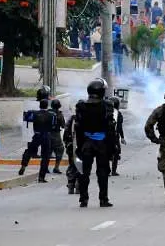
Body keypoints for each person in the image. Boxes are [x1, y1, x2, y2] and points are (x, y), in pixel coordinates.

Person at [73, 78, 116, 207]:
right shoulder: (107, 106)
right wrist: (112, 148)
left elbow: (78, 128)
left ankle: (83, 199)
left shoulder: (81, 106)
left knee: (84, 172)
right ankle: (103, 199)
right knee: (103, 172)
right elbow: (110, 129)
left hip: (86, 142)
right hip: (102, 143)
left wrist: (79, 147)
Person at [18, 99, 55, 183]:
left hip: (37, 134)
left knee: (29, 151)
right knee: (46, 157)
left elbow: (26, 119)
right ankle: (41, 177)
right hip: (47, 135)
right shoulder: (52, 115)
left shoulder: (34, 114)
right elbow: (53, 125)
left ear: (39, 105)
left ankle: (24, 165)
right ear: (47, 106)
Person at [107, 96, 125, 176]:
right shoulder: (119, 114)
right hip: (114, 136)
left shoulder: (105, 112)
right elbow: (119, 127)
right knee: (116, 153)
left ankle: (107, 171)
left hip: (106, 136)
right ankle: (113, 171)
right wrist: (122, 137)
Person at [48, 99, 66, 174]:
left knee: (48, 151)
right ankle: (56, 167)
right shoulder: (59, 114)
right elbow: (63, 125)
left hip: (47, 134)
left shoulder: (47, 113)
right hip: (56, 135)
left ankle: (45, 167)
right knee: (60, 150)